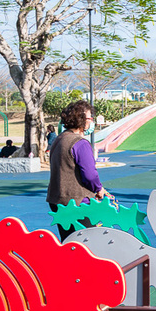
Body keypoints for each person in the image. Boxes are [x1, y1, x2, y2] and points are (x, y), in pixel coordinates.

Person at [47, 100, 111, 240]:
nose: (91, 121)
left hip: (57, 199)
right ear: (82, 120)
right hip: (77, 202)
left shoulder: (59, 139)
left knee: (69, 242)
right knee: (89, 242)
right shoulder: (80, 143)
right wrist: (99, 189)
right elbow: (90, 175)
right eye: (90, 118)